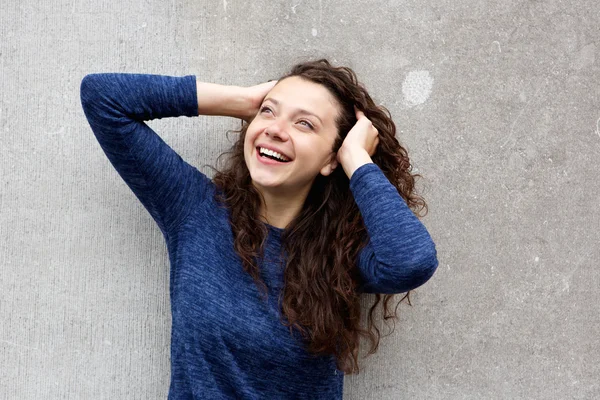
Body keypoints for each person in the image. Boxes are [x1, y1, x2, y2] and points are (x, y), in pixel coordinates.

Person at [80, 59, 438, 399]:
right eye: (269, 112)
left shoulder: (341, 252)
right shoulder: (195, 210)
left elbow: (411, 261)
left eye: (305, 124)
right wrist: (244, 100)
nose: (276, 130)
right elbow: (103, 97)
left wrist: (357, 159)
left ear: (332, 157)